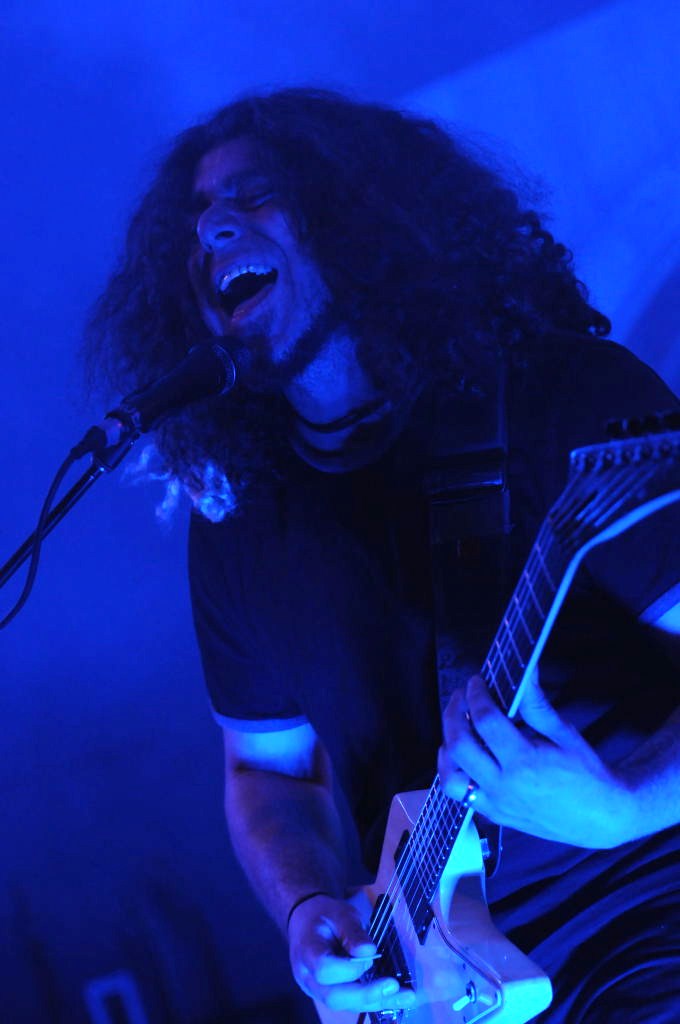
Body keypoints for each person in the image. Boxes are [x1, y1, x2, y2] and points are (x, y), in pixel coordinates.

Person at [84, 88, 679, 1022]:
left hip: (644, 919)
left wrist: (628, 805)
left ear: (356, 211)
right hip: (439, 988)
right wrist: (306, 909)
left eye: (253, 194)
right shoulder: (239, 521)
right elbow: (266, 774)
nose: (211, 231)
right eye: (194, 220)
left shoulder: (560, 396)